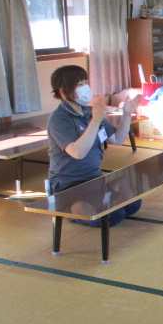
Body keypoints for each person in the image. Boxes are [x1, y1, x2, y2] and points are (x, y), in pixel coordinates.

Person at [47, 65, 142, 227]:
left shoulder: (90, 112)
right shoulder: (59, 119)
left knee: (133, 205)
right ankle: (67, 208)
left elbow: (117, 140)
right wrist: (96, 120)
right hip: (68, 184)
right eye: (79, 85)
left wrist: (126, 114)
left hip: (94, 179)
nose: (85, 88)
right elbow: (77, 153)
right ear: (63, 92)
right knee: (114, 216)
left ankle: (95, 199)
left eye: (85, 82)